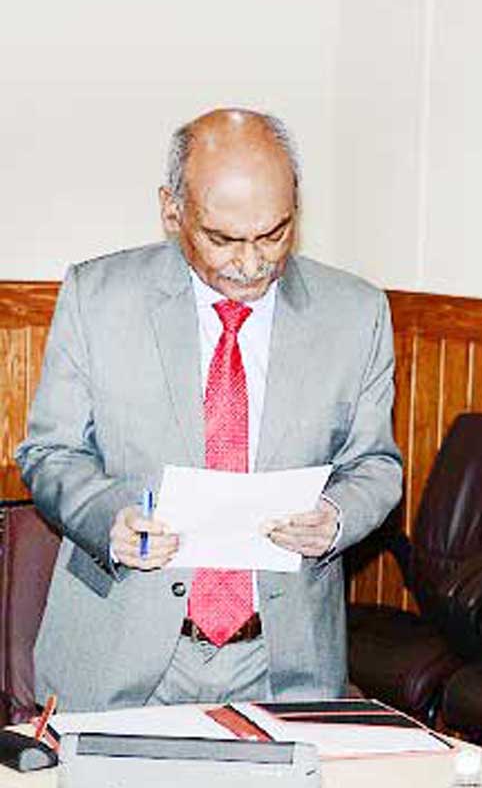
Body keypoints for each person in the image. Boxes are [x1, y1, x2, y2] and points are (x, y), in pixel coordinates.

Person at [16, 108, 404, 711]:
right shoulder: (99, 299)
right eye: (223, 239)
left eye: (274, 234)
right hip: (121, 653)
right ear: (173, 211)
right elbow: (49, 451)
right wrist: (109, 518)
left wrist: (334, 517)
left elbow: (376, 464)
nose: (251, 263)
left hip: (283, 662)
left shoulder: (356, 314)